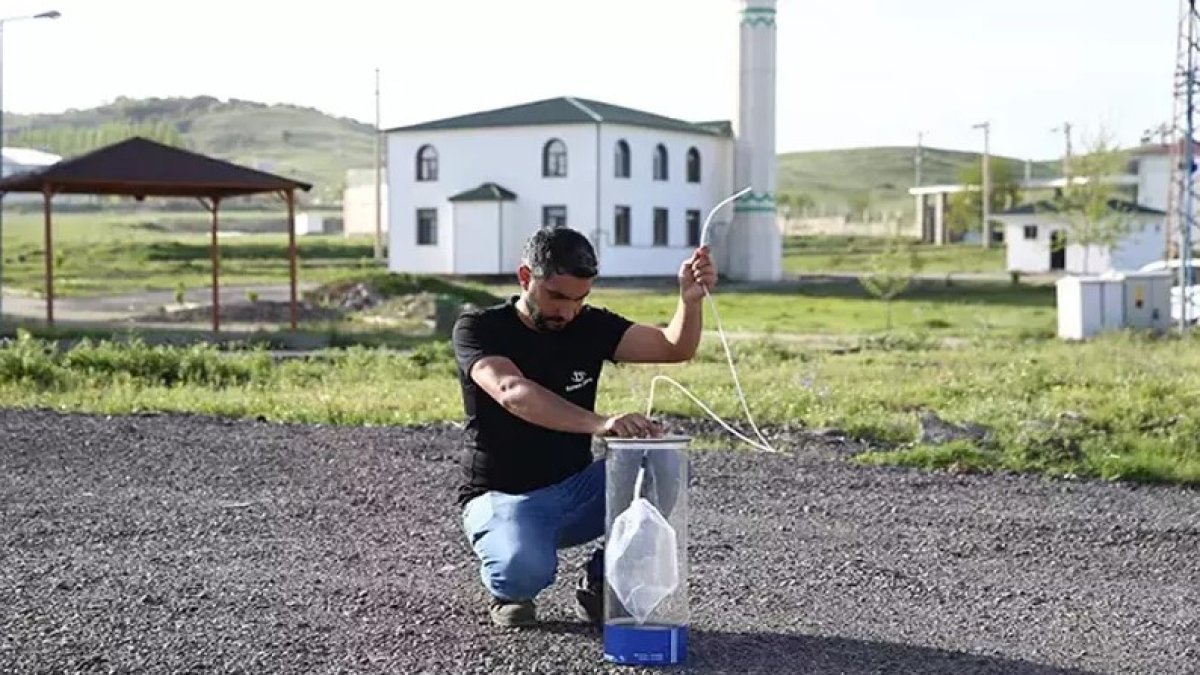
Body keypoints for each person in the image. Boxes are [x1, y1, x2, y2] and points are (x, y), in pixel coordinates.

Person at [451, 225, 717, 628]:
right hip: (503, 497)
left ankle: (604, 580)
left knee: (662, 459)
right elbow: (510, 391)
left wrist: (690, 300)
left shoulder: (589, 326)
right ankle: (511, 590)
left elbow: (674, 347)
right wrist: (601, 423)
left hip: (575, 492)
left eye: (580, 299)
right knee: (523, 569)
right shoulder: (479, 329)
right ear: (526, 278)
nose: (567, 311)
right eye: (556, 296)